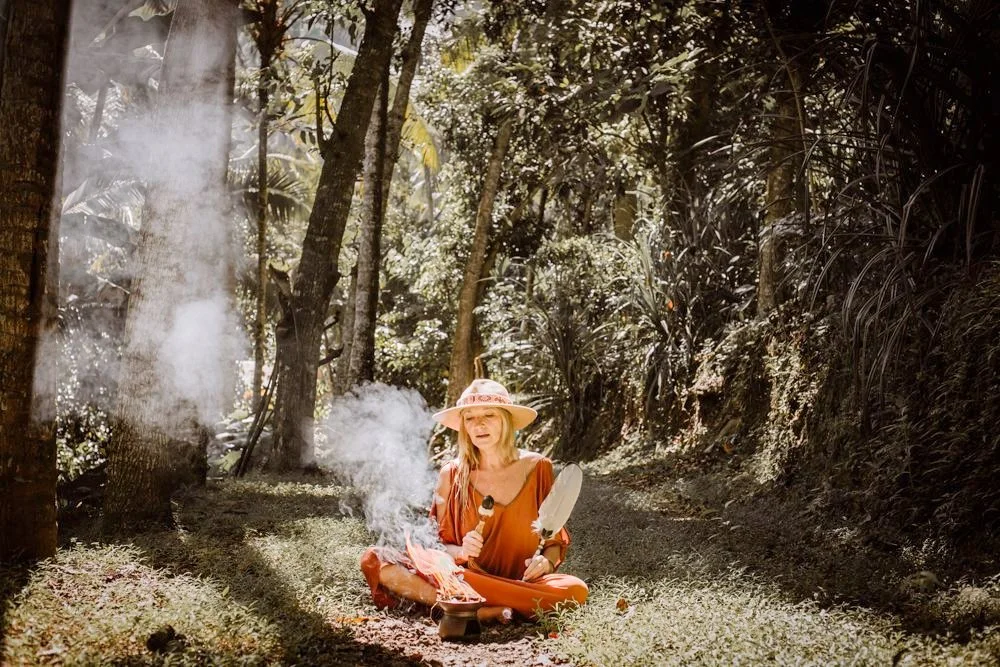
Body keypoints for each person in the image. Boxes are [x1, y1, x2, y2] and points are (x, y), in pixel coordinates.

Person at [360, 379, 589, 623]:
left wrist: (546, 563)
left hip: (520, 581)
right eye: (469, 418)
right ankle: (485, 609)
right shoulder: (451, 474)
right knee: (376, 559)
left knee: (574, 589)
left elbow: (553, 541)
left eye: (489, 414)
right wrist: (460, 551)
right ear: (464, 426)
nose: (479, 424)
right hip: (464, 576)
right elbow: (437, 547)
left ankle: (465, 606)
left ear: (506, 420)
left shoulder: (538, 467)